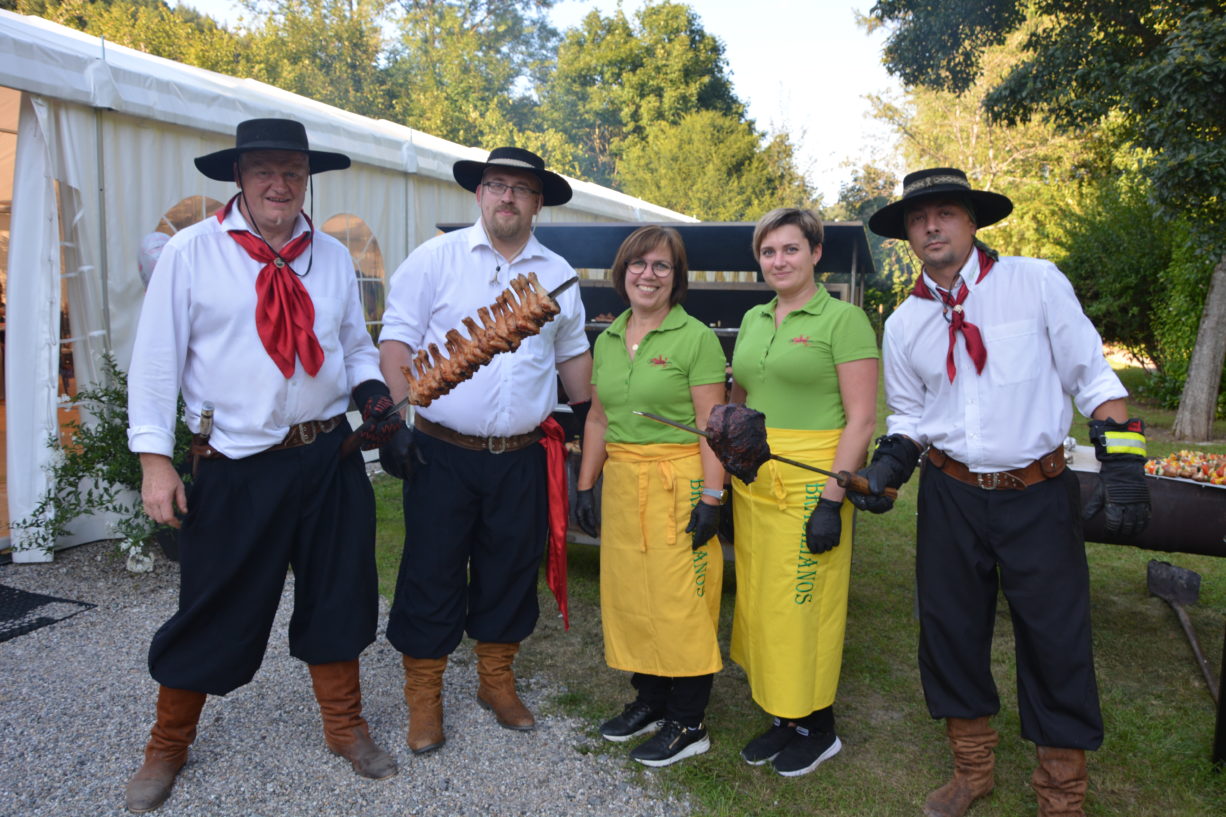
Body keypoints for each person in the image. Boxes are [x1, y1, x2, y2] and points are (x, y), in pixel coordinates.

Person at [125, 118, 404, 813]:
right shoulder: (192, 253)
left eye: (291, 171)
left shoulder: (333, 258)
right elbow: (156, 362)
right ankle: (167, 743)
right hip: (235, 462)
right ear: (239, 178)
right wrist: (154, 462)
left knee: (340, 591)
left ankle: (345, 726)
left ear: (306, 177)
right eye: (264, 171)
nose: (279, 184)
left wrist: (372, 393)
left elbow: (353, 345)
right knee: (212, 603)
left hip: (326, 455)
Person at [855, 167, 1151, 817]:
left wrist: (1125, 461)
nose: (931, 225)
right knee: (950, 631)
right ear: (907, 234)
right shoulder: (904, 322)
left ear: (972, 221)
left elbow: (1094, 377)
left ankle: (1061, 794)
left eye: (946, 212)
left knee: (1056, 637)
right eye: (917, 217)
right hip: (951, 493)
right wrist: (888, 469)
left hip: (1038, 491)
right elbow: (909, 415)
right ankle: (972, 771)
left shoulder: (1035, 282)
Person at [378, 147, 592, 755]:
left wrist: (587, 421)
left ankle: (495, 680)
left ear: (538, 202)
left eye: (520, 189)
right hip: (442, 451)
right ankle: (425, 694)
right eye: (496, 185)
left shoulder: (557, 274)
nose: (507, 198)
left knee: (509, 569)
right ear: (479, 194)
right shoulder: (435, 260)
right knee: (431, 568)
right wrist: (394, 422)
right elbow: (396, 343)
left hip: (521, 453)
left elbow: (572, 354)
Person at [726, 208, 879, 777]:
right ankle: (784, 715)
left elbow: (862, 419)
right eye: (768, 252)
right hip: (759, 480)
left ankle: (820, 727)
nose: (779, 261)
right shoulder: (754, 318)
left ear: (816, 253)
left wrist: (832, 501)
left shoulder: (843, 320)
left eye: (790, 249)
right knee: (764, 602)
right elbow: (740, 398)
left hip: (814, 478)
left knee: (804, 605)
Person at [573, 226, 726, 767]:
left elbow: (715, 425)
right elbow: (597, 416)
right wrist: (586, 483)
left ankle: (689, 720)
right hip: (622, 481)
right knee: (633, 594)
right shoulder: (608, 338)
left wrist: (712, 496)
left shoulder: (695, 338)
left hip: (677, 480)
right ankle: (651, 699)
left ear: (676, 278)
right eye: (638, 264)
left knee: (680, 600)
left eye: (661, 266)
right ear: (622, 273)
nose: (648, 274)